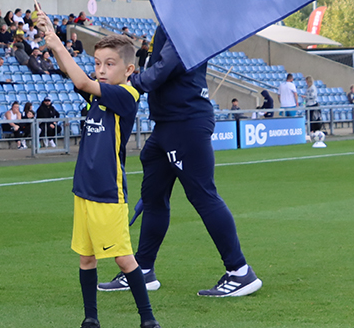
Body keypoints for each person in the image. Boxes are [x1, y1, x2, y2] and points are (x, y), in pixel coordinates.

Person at [102, 22, 262, 297]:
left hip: (185, 122)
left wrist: (133, 83)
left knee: (203, 195)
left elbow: (166, 66)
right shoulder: (173, 22)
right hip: (167, 124)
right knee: (153, 197)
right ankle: (142, 270)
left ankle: (240, 271)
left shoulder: (181, 24)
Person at [36, 18, 167, 328]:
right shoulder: (100, 94)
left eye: (110, 64)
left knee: (124, 259)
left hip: (109, 191)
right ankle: (91, 321)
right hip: (84, 189)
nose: (102, 69)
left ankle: (149, 322)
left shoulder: (127, 94)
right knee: (86, 257)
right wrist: (53, 42)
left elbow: (80, 80)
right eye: (97, 64)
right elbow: (76, 77)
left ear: (129, 68)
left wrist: (55, 41)